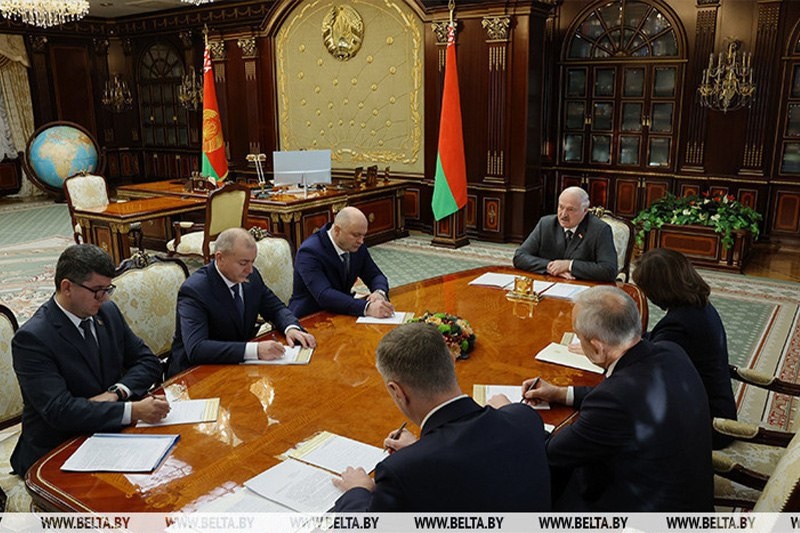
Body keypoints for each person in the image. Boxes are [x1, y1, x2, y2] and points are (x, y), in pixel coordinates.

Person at [506, 286, 713, 511]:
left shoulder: (612, 401)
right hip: (691, 500)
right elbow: (631, 399)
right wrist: (561, 393)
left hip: (641, 516)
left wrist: (512, 415)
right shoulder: (671, 351)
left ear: (597, 348)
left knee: (524, 479)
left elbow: (551, 453)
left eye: (579, 336)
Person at [331, 322, 551, 512]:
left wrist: (358, 490)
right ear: (452, 361)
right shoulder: (524, 418)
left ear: (397, 391)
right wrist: (420, 449)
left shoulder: (401, 472)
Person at [11, 244, 168, 476]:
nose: (104, 298)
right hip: (58, 448)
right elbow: (60, 411)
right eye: (97, 291)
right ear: (67, 287)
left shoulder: (107, 312)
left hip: (109, 434)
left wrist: (117, 393)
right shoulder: (33, 338)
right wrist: (132, 411)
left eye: (107, 289)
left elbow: (148, 361)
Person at [168, 228, 315, 377]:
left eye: (252, 262)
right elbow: (197, 348)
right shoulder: (195, 290)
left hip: (238, 368)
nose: (250, 270)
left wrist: (290, 328)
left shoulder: (251, 277)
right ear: (220, 258)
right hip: (196, 374)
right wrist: (255, 350)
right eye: (243, 263)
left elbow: (275, 308)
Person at [632, 248, 737, 449]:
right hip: (718, 407)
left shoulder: (677, 324)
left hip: (707, 424)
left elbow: (648, 371)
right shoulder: (698, 306)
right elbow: (658, 340)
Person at [289, 206, 393, 318]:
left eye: (363, 235)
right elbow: (324, 295)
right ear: (337, 230)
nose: (361, 241)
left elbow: (375, 275)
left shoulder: (356, 246)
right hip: (310, 317)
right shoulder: (309, 252)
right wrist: (367, 308)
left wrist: (379, 292)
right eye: (356, 235)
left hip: (342, 312)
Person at [513, 186, 618, 281]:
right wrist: (550, 267)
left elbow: (609, 270)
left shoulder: (600, 230)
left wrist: (569, 265)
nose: (563, 215)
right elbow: (519, 256)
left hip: (583, 287)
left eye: (570, 209)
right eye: (561, 207)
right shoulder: (546, 224)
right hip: (549, 283)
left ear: (585, 210)